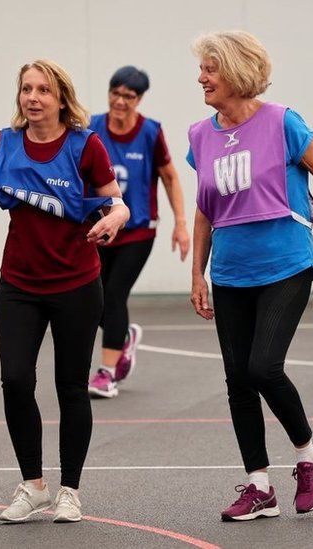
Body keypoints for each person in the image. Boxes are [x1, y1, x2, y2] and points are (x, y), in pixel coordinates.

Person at [187, 31, 313, 522]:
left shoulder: (283, 122)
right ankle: (258, 485)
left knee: (262, 367)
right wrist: (197, 275)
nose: (202, 77)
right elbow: (205, 210)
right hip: (230, 271)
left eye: (211, 68)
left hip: (286, 264)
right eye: (202, 69)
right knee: (237, 380)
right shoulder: (200, 135)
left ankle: (310, 458)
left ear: (236, 71)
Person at [0, 60, 130, 523]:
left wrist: (116, 217)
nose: (32, 98)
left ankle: (69, 491)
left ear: (60, 98)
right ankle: (33, 486)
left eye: (42, 91)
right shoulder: (6, 143)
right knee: (15, 380)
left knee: (71, 388)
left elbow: (116, 201)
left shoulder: (84, 144)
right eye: (26, 90)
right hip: (18, 283)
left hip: (76, 284)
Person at [87, 66, 190, 399]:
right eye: (114, 93)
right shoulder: (92, 127)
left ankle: (106, 373)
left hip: (137, 230)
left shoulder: (150, 133)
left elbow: (171, 177)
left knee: (114, 295)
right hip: (100, 227)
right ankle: (125, 338)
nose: (119, 101)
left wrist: (181, 223)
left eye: (128, 97)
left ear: (140, 99)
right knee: (93, 298)